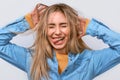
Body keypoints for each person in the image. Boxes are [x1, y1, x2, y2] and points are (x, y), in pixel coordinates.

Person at [0, 3, 120, 80]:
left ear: (72, 28)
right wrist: (26, 22)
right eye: (51, 26)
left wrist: (92, 27)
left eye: (63, 25)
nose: (57, 32)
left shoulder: (89, 61)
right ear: (44, 30)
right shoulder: (31, 59)